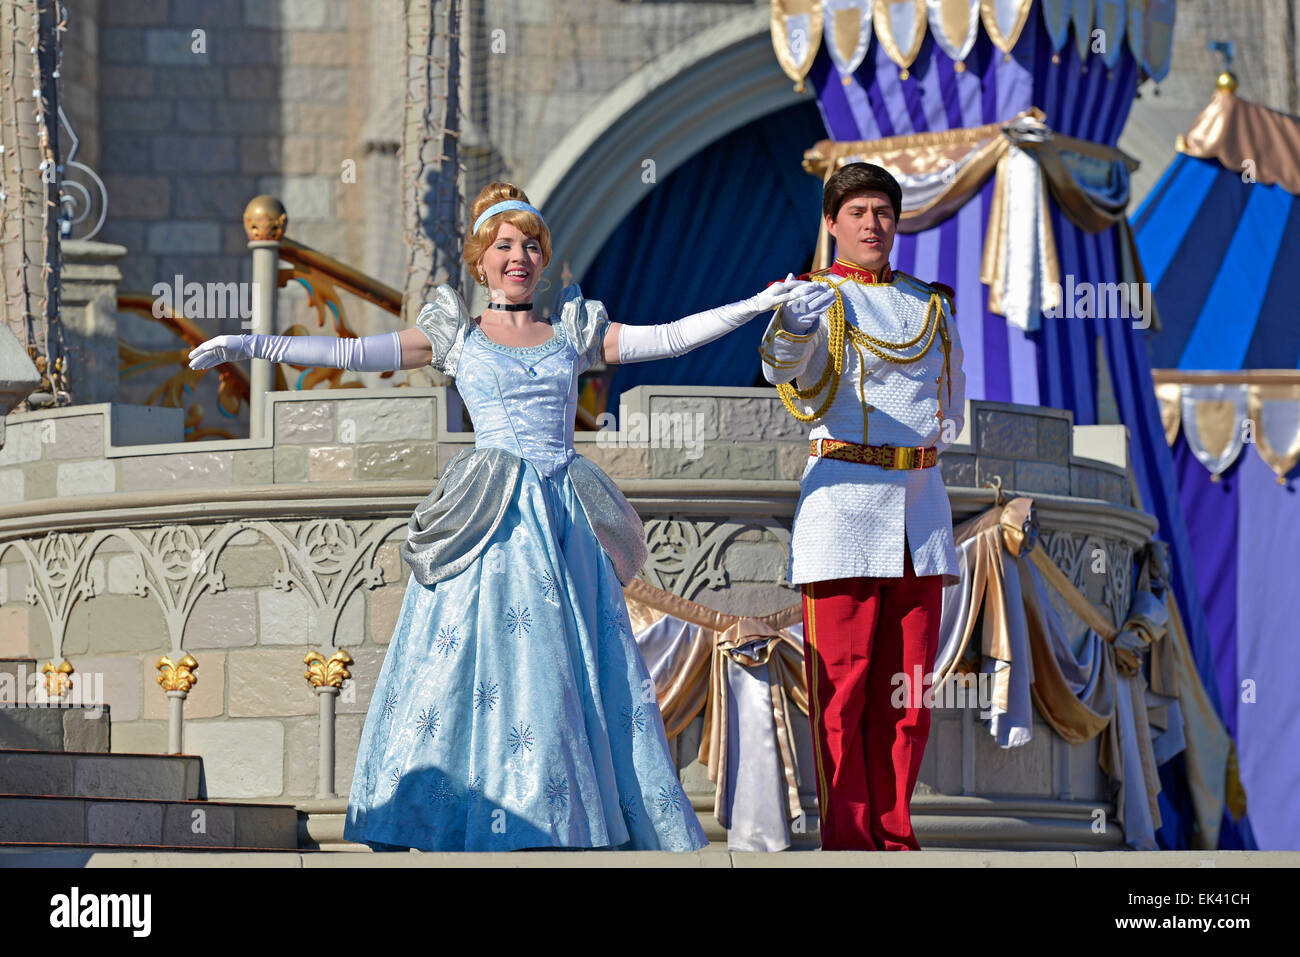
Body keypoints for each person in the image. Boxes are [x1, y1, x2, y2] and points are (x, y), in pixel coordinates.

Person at [188, 182, 833, 852]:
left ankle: (564, 817)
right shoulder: (456, 336)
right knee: (471, 670)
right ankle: (471, 813)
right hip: (487, 521)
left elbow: (669, 337)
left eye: (530, 244)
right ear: (480, 259)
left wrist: (758, 304)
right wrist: (251, 343)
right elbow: (357, 353)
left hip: (563, 522)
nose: (518, 255)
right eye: (504, 244)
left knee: (569, 671)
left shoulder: (572, 336)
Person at [758, 162, 966, 851]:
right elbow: (781, 370)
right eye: (857, 212)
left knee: (908, 696)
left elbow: (951, 406)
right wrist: (788, 324)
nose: (872, 224)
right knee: (841, 690)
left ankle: (895, 834)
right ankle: (848, 841)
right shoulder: (816, 297)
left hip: (921, 514)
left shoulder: (931, 304)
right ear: (831, 223)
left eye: (882, 211)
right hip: (845, 507)